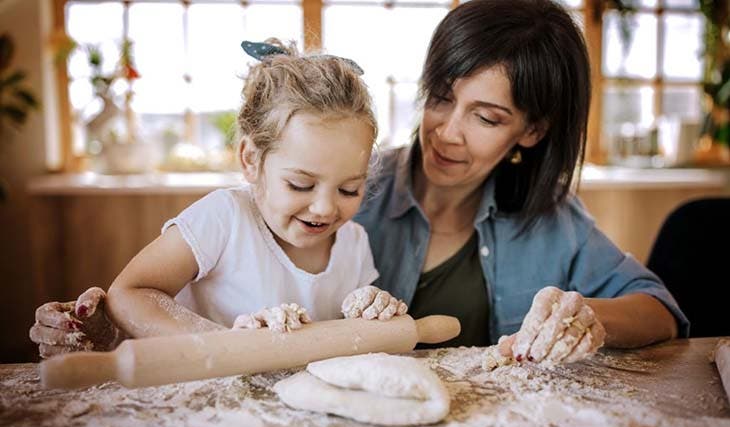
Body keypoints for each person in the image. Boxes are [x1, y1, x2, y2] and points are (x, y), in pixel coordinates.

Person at [31, 0, 689, 364]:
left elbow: (660, 309)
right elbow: (181, 286)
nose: (447, 132)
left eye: (486, 117)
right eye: (439, 97)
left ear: (532, 132)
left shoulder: (550, 221)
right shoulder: (348, 186)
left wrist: (588, 316)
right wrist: (117, 318)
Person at [29, 39, 407, 357]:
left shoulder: (353, 243)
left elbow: (352, 342)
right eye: (300, 185)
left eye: (348, 189)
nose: (326, 207)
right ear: (251, 160)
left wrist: (375, 312)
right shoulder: (225, 219)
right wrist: (222, 344)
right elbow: (129, 294)